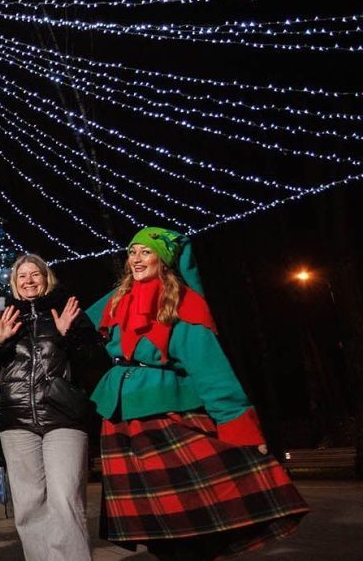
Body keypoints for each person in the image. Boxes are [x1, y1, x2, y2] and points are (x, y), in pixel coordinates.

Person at [87, 227, 309, 559]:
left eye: (146, 252)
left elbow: (211, 370)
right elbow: (73, 328)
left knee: (188, 518)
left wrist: (241, 426)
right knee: (154, 525)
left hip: (167, 419)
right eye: (132, 252)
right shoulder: (117, 301)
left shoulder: (182, 305)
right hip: (121, 423)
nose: (136, 259)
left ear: (163, 260)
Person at [0, 254, 97, 561]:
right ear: (14, 284)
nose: (29, 281)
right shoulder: (5, 317)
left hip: (63, 416)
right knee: (29, 505)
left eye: (35, 275)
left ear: (46, 278)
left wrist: (69, 335)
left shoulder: (67, 310)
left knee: (65, 498)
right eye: (22, 277)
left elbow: (95, 364)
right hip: (16, 420)